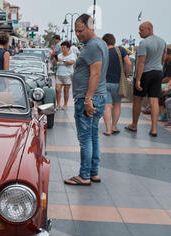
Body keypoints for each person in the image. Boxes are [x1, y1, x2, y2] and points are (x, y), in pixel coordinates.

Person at [64, 14, 108, 186]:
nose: (77, 34)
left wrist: (88, 99)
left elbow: (95, 73)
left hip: (89, 97)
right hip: (97, 96)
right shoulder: (100, 44)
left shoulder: (93, 46)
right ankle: (93, 172)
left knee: (85, 138)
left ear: (91, 27)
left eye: (81, 30)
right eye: (75, 31)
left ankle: (84, 175)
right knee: (93, 136)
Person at [126, 22, 167, 137]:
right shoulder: (162, 41)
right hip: (158, 73)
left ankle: (134, 125)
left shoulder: (144, 43)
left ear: (150, 29)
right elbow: (163, 59)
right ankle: (154, 129)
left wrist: (138, 79)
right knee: (154, 101)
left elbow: (141, 63)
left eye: (142, 30)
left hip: (146, 74)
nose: (139, 32)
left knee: (137, 99)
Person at [101, 33, 132, 136]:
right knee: (117, 104)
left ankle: (108, 129)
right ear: (113, 41)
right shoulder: (120, 50)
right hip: (118, 83)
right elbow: (128, 63)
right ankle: (114, 126)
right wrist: (126, 75)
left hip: (104, 83)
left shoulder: (102, 52)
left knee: (107, 106)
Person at [55, 41, 76, 111]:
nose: (62, 49)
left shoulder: (72, 55)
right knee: (57, 90)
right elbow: (55, 63)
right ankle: (58, 104)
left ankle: (65, 104)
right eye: (62, 48)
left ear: (68, 48)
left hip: (68, 75)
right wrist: (55, 61)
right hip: (59, 74)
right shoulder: (59, 55)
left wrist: (63, 60)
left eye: (64, 48)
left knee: (66, 91)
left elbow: (71, 62)